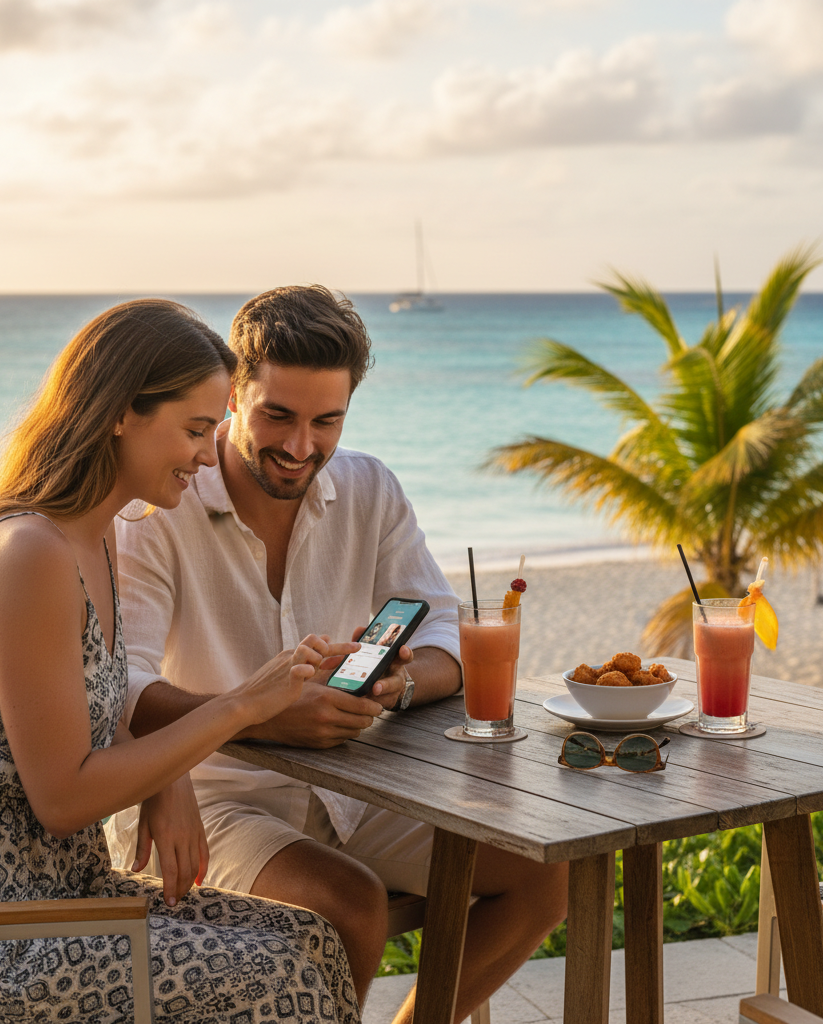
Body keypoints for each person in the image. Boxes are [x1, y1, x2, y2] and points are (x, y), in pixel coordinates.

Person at [0, 299, 361, 1024]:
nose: (211, 455)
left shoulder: (99, 536)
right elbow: (63, 799)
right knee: (276, 974)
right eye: (193, 429)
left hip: (51, 897)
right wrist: (244, 704)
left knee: (311, 939)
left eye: (214, 429)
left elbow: (79, 710)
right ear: (122, 412)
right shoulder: (30, 553)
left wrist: (169, 770)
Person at [112, 285, 569, 1022]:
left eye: (327, 421)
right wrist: (260, 719)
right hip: (213, 798)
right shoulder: (159, 508)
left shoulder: (368, 488)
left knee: (546, 873)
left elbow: (446, 638)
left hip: (359, 791)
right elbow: (123, 687)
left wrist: (397, 684)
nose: (301, 448)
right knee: (347, 906)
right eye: (278, 417)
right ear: (232, 395)